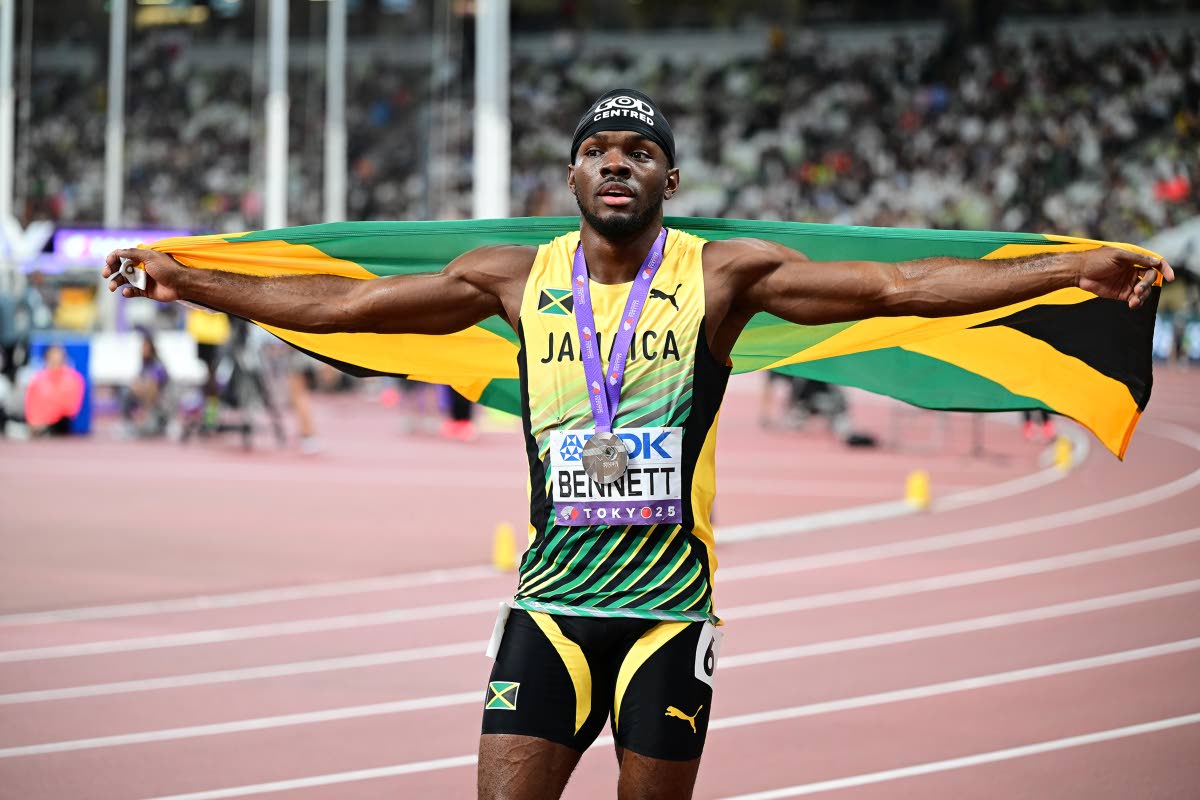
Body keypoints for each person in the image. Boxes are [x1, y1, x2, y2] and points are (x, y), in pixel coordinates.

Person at [103, 89, 1171, 800]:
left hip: (667, 615)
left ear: (670, 182)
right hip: (550, 607)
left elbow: (904, 288)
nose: (617, 163)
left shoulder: (722, 274)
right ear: (570, 180)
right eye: (596, 150)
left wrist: (1065, 268)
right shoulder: (512, 278)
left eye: (641, 151)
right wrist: (186, 277)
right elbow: (345, 307)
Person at [24, 343, 84, 436]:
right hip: (39, 422)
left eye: (58, 354)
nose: (55, 358)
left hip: (60, 422)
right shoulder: (38, 378)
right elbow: (31, 402)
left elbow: (71, 407)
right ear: (46, 357)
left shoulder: (73, 378)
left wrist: (49, 420)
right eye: (53, 354)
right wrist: (34, 421)